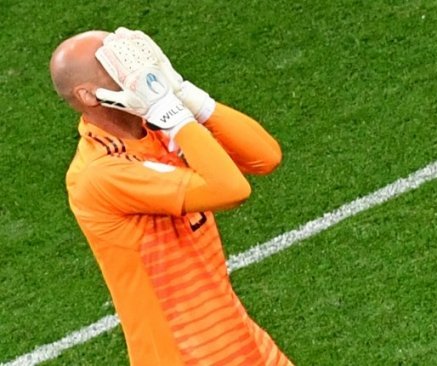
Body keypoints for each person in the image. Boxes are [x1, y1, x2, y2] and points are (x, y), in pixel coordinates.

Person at [50, 28, 292, 365]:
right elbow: (232, 190)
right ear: (90, 95)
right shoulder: (101, 172)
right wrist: (174, 115)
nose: (138, 70)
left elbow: (265, 157)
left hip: (242, 342)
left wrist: (187, 96)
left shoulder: (157, 133)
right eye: (118, 65)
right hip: (183, 356)